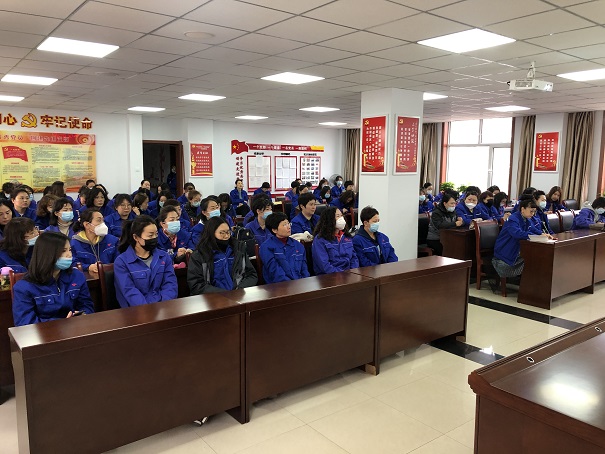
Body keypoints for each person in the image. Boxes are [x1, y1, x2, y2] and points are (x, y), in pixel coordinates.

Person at [12, 231, 94, 326]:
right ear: (47, 254)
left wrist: (83, 314)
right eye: (63, 251)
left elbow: (87, 306)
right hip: (43, 333)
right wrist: (62, 323)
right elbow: (24, 323)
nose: (69, 255)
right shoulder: (23, 287)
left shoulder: (77, 276)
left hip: (76, 329)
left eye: (70, 250)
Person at [114, 215, 178, 307]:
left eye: (156, 234)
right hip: (137, 311)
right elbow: (129, 292)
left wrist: (163, 306)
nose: (154, 238)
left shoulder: (164, 257)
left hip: (164, 308)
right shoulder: (122, 262)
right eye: (150, 235)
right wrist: (149, 309)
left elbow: (170, 284)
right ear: (136, 237)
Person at [187, 216, 257, 294]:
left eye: (228, 232)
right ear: (211, 233)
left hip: (239, 294)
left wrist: (240, 289)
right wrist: (223, 294)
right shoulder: (199, 255)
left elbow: (251, 274)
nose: (226, 236)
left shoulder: (238, 249)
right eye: (222, 233)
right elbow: (196, 284)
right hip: (212, 297)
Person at [493, 198, 548, 279]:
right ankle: (526, 281)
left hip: (517, 249)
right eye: (531, 211)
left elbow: (532, 229)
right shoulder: (513, 219)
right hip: (506, 251)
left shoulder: (527, 219)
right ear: (522, 209)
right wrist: (534, 236)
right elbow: (517, 233)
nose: (533, 214)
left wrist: (542, 234)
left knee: (537, 258)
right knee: (532, 259)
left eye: (534, 212)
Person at [259, 212, 309, 284]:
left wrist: (305, 282)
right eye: (284, 225)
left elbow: (304, 270)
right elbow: (275, 273)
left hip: (301, 284)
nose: (289, 227)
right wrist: (292, 284)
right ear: (274, 230)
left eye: (288, 223)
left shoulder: (298, 245)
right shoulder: (266, 247)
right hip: (279, 286)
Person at [312, 207, 359, 275]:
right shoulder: (320, 240)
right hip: (329, 277)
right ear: (329, 219)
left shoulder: (347, 237)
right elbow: (324, 266)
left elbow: (354, 258)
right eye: (338, 216)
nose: (341, 218)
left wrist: (353, 272)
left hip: (349, 275)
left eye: (341, 215)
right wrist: (342, 274)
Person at [71, 208, 119, 273]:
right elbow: (72, 263)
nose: (103, 224)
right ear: (87, 225)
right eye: (99, 220)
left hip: (110, 276)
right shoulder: (74, 244)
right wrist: (88, 267)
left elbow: (119, 261)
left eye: (103, 220)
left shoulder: (112, 240)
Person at [426, 191, 464, 255]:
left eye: (455, 203)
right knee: (444, 248)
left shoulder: (453, 211)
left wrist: (461, 221)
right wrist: (455, 224)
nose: (453, 205)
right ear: (445, 203)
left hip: (448, 236)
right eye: (451, 203)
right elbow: (440, 225)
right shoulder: (436, 212)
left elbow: (459, 221)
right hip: (435, 238)